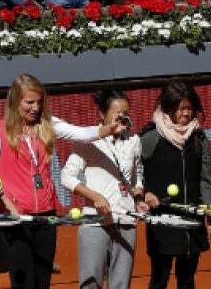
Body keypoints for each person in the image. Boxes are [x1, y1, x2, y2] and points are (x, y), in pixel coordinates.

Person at [0, 73, 108, 289]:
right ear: (15, 102)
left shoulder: (47, 125)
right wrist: (7, 202)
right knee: (24, 283)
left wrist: (110, 128)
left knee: (43, 281)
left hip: (46, 217)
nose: (35, 108)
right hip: (14, 219)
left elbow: (81, 133)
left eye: (39, 102)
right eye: (29, 102)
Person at [138, 80, 211, 289]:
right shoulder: (150, 138)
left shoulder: (199, 138)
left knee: (187, 281)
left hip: (192, 222)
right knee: (159, 281)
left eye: (190, 108)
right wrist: (145, 193)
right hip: (162, 223)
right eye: (181, 108)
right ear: (168, 108)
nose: (186, 114)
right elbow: (132, 173)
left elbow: (206, 179)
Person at [62, 88, 143, 289]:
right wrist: (94, 196)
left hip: (126, 220)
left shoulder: (134, 141)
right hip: (94, 223)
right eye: (118, 115)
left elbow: (137, 177)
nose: (123, 120)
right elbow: (66, 176)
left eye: (126, 115)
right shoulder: (88, 142)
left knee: (121, 285)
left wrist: (139, 199)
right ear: (102, 114)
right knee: (90, 284)